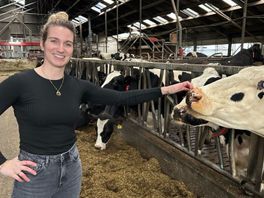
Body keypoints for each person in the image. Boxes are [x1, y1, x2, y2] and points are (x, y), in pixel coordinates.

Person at [0, 11, 193, 198]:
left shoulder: (78, 86)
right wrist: (2, 164)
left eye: (67, 44)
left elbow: (121, 98)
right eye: (54, 41)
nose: (61, 49)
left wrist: (167, 89)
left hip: (72, 165)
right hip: (34, 171)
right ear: (42, 44)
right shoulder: (20, 83)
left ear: (72, 49)